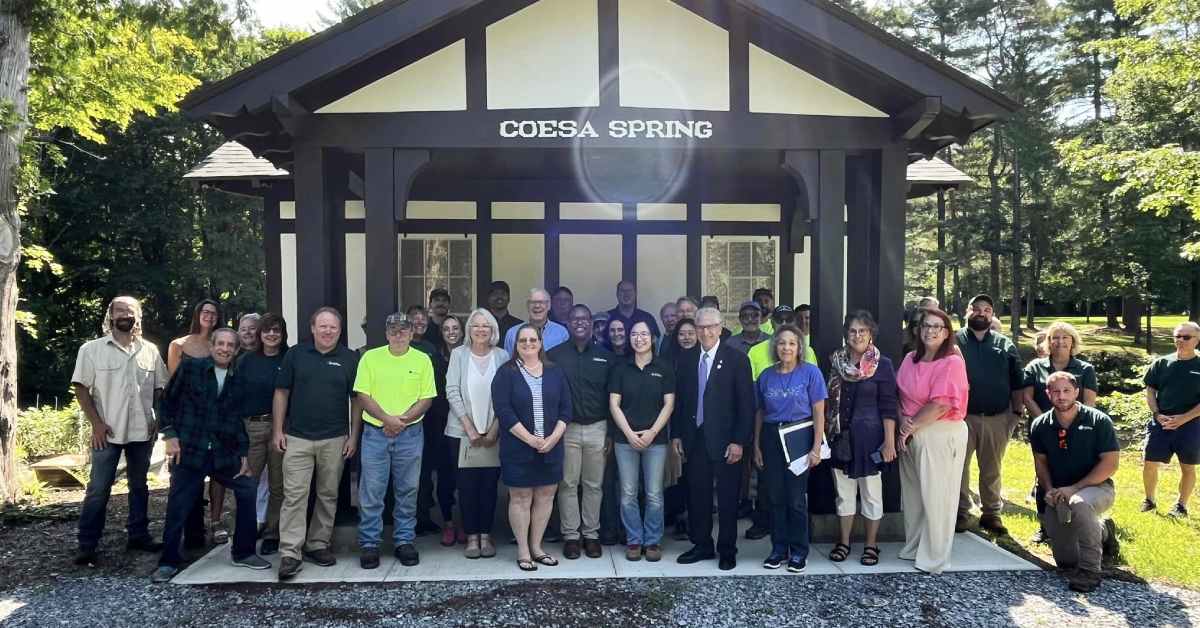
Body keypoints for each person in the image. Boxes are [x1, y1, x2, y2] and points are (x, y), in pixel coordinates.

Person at [151, 329, 270, 582]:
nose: (225, 349)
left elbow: (237, 421)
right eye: (221, 344)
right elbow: (166, 402)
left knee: (248, 487)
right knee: (178, 504)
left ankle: (244, 552)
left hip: (222, 453)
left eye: (230, 345)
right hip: (190, 450)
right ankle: (168, 561)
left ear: (236, 351)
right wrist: (169, 434)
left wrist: (243, 455)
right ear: (212, 346)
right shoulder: (191, 368)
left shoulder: (237, 380)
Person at [72, 296, 169, 566]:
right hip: (108, 432)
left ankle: (138, 535)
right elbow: (81, 388)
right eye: (120, 311)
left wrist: (157, 419)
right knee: (98, 489)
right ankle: (87, 544)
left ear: (138, 316)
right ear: (111, 316)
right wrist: (96, 424)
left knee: (139, 486)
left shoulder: (149, 350)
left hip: (142, 432)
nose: (125, 315)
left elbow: (160, 388)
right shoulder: (91, 350)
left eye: (131, 311)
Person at [272, 307, 361, 580]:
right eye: (322, 326)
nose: (328, 331)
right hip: (297, 437)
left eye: (333, 327)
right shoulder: (296, 354)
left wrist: (353, 435)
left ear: (340, 330)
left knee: (328, 494)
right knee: (295, 495)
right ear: (312, 328)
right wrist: (278, 430)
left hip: (334, 439)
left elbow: (357, 400)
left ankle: (317, 545)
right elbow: (281, 392)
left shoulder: (349, 358)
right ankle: (290, 553)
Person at [672, 307, 755, 570]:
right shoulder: (685, 359)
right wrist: (677, 434)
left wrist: (739, 441)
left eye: (711, 327)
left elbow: (746, 404)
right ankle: (702, 544)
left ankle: (727, 549)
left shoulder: (737, 359)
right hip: (694, 439)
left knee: (729, 498)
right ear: (695, 329)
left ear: (721, 328)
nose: (705, 332)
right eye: (701, 327)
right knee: (698, 495)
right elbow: (681, 401)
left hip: (726, 441)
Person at [354, 312, 436, 570]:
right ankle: (369, 543)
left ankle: (404, 541)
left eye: (404, 330)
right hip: (376, 433)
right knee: (372, 491)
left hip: (409, 434)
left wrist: (400, 421)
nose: (398, 334)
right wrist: (387, 419)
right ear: (386, 333)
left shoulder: (422, 359)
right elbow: (362, 395)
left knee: (408, 490)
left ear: (412, 333)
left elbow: (427, 399)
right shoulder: (370, 358)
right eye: (393, 330)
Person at [1031, 372, 1121, 593]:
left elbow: (1110, 464)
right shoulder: (1040, 425)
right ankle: (1103, 530)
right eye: (1056, 392)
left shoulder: (1098, 420)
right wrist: (1050, 489)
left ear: (1076, 392)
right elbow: (1041, 464)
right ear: (1048, 394)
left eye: (1066, 391)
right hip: (1059, 492)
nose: (1061, 396)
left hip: (1096, 488)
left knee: (1080, 503)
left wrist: (1075, 488)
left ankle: (1091, 571)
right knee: (1066, 560)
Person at [896, 307, 970, 574]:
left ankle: (934, 557)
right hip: (912, 433)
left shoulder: (952, 362)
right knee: (914, 496)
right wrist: (904, 426)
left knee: (938, 496)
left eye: (937, 326)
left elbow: (940, 405)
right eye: (926, 325)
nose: (930, 331)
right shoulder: (909, 360)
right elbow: (899, 396)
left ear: (947, 332)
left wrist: (908, 429)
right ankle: (914, 547)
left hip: (940, 432)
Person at [492, 324, 572, 571]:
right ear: (515, 345)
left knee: (546, 496)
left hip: (551, 447)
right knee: (521, 497)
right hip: (519, 448)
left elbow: (566, 409)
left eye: (532, 340)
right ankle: (523, 551)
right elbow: (504, 412)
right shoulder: (506, 373)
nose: (528, 344)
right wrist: (531, 439)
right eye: (522, 340)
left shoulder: (555, 372)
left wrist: (552, 439)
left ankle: (537, 548)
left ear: (540, 342)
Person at [825, 311, 898, 567]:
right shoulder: (836, 361)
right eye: (853, 331)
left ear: (871, 334)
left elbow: (889, 405)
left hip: (871, 440)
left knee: (871, 495)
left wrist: (889, 441)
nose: (857, 335)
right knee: (844, 495)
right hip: (841, 438)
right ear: (846, 333)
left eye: (862, 331)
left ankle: (871, 544)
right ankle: (843, 542)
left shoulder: (883, 365)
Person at [753, 324, 825, 572]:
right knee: (775, 496)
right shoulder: (765, 376)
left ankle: (799, 550)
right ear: (775, 346)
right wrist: (756, 445)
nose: (786, 347)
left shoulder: (811, 373)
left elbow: (819, 412)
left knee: (795, 498)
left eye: (792, 343)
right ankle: (778, 548)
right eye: (782, 342)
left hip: (799, 436)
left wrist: (816, 447)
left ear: (799, 347)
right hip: (772, 437)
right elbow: (760, 412)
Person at [546, 305, 615, 559]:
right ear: (568, 324)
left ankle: (591, 534)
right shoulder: (554, 356)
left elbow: (612, 397)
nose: (580, 323)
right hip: (567, 429)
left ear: (591, 323)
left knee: (594, 484)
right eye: (575, 319)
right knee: (567, 484)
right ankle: (571, 536)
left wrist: (611, 432)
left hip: (598, 427)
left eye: (585, 318)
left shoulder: (605, 357)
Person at [1021, 321, 1099, 543]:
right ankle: (1045, 526)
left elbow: (1089, 403)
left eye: (1065, 337)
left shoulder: (1085, 369)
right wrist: (1046, 422)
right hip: (1043, 431)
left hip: (1077, 432)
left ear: (1073, 341)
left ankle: (1077, 523)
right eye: (1055, 337)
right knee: (1044, 475)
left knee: (1073, 473)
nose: (1060, 341)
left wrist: (1071, 425)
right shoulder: (1035, 367)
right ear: (1048, 341)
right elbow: (1027, 397)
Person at [956, 294, 1024, 535]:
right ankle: (961, 512)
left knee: (991, 468)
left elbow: (1018, 382)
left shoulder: (1004, 345)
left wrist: (1015, 413)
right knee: (958, 468)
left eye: (987, 309)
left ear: (992, 314)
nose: (981, 313)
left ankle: (991, 514)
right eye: (976, 309)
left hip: (997, 417)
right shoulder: (954, 342)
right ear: (967, 311)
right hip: (960, 418)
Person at [609, 320, 675, 562]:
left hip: (655, 441)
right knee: (627, 492)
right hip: (624, 440)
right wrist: (629, 433)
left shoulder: (664, 367)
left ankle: (653, 541)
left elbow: (669, 403)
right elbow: (614, 404)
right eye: (635, 334)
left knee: (654, 493)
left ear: (653, 338)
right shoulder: (620, 368)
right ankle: (634, 540)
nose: (639, 338)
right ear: (629, 339)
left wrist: (651, 433)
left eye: (644, 334)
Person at [445, 309, 508, 559]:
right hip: (461, 433)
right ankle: (471, 535)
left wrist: (494, 428)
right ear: (469, 330)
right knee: (467, 486)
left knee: (489, 485)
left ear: (493, 331)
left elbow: (506, 395)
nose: (481, 330)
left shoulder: (501, 356)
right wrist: (469, 428)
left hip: (494, 432)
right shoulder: (459, 355)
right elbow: (451, 391)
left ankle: (486, 534)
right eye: (476, 325)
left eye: (486, 326)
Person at [235, 313, 289, 556]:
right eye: (266, 330)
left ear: (282, 333)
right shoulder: (246, 360)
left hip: (281, 427)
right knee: (248, 482)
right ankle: (246, 533)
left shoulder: (289, 358)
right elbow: (235, 394)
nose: (271, 334)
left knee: (278, 485)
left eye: (276, 330)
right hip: (252, 426)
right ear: (260, 333)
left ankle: (272, 533)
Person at [1142, 321, 1200, 517]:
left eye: (1186, 337)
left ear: (1197, 340)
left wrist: (1183, 419)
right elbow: (1150, 390)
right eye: (1177, 336)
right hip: (1161, 422)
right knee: (1149, 462)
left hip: (1191, 424)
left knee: (1188, 466)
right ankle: (1149, 500)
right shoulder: (1161, 362)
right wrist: (1157, 414)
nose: (1180, 340)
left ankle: (1181, 506)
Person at [409, 304, 451, 537]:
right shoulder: (401, 347)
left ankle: (423, 516)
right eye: (415, 319)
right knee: (410, 471)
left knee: (426, 469)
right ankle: (408, 518)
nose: (420, 323)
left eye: (423, 320)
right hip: (406, 415)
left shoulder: (430, 348)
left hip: (431, 416)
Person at [433, 314, 465, 546]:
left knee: (465, 477)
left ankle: (465, 523)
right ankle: (448, 524)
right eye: (447, 328)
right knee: (445, 477)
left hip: (465, 423)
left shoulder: (469, 355)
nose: (451, 332)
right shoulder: (435, 357)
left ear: (462, 331)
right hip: (438, 423)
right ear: (441, 333)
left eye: (455, 328)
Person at [749, 306, 818, 380]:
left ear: (795, 322)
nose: (784, 324)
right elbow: (752, 386)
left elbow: (813, 383)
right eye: (779, 320)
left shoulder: (807, 351)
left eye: (789, 320)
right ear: (772, 322)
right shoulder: (755, 351)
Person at [503, 288, 569, 356]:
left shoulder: (561, 333)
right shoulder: (512, 333)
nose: (537, 306)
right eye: (533, 302)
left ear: (549, 306)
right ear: (527, 305)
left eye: (541, 302)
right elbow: (509, 364)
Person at [168, 299, 221, 375]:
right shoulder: (177, 345)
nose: (210, 316)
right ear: (198, 314)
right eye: (206, 312)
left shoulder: (222, 347)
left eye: (214, 313)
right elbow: (173, 381)